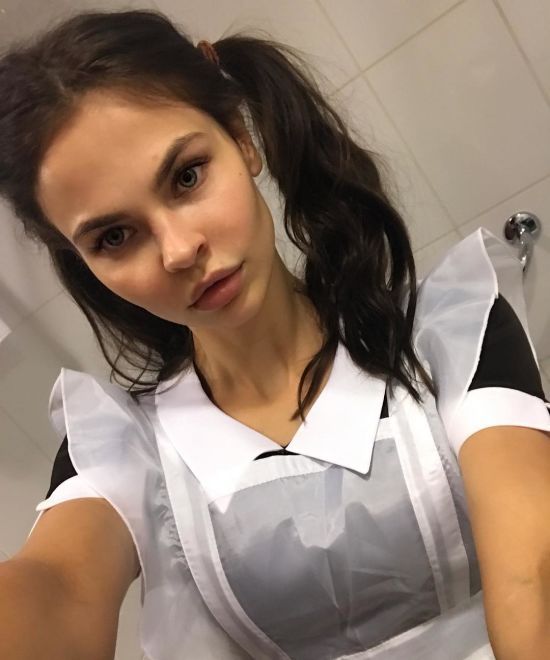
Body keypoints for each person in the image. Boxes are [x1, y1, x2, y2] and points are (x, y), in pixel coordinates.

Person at [0, 8, 549, 660]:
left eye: (187, 176)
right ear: (81, 260)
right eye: (115, 236)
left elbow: (533, 571)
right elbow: (59, 584)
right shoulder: (124, 447)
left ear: (241, 137)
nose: (179, 250)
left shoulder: (451, 331)